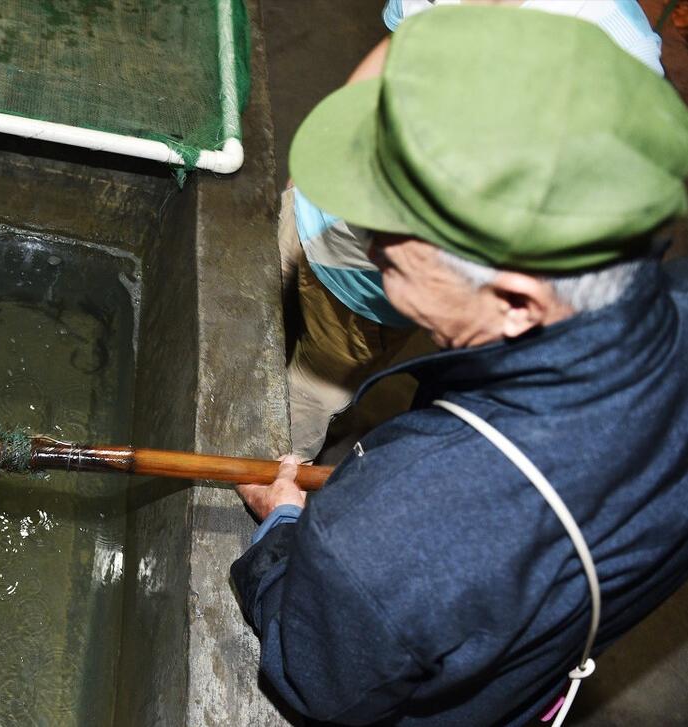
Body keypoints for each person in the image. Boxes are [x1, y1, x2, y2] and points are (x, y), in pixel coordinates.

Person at [236, 6, 688, 726]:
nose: (375, 263)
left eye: (389, 252)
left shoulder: (385, 534)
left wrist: (283, 534)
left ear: (513, 300)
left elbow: (314, 674)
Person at [283, 0, 665, 463]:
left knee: (305, 395)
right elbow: (396, 48)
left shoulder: (615, 52)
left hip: (366, 286)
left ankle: (278, 462)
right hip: (320, 215)